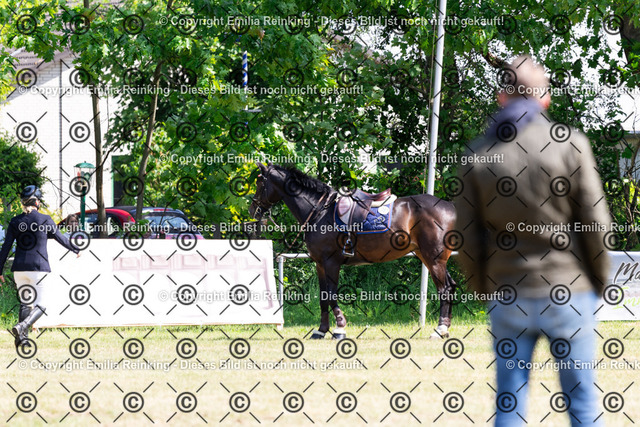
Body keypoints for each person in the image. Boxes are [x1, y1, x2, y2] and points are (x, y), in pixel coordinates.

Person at [455, 55, 611, 426]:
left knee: (509, 404)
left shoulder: (479, 154)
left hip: (508, 292)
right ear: (545, 98)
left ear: (501, 97)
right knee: (583, 403)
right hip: (569, 291)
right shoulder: (570, 145)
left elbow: (466, 238)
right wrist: (598, 283)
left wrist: (485, 288)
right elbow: (596, 224)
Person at [0, 186, 81, 347]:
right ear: (37, 202)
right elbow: (60, 238)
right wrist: (76, 249)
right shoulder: (45, 219)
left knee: (25, 303)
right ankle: (22, 326)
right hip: (38, 268)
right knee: (41, 305)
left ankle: (22, 341)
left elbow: (6, 247)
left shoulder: (16, 221)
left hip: (19, 269)